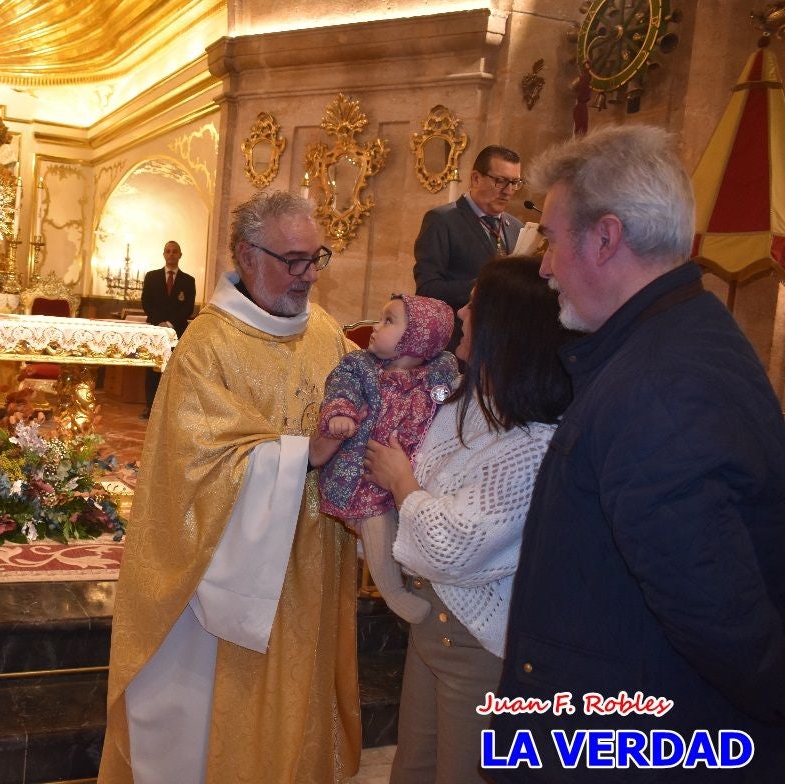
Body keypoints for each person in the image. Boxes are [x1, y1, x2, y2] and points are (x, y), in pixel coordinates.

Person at [490, 125, 785, 781]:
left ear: (606, 237)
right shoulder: (677, 340)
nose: (543, 264)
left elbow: (724, 624)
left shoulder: (660, 388)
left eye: (552, 238)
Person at [99, 191, 361, 783]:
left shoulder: (324, 331)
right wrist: (303, 456)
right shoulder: (206, 346)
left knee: (299, 692)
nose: (308, 276)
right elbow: (192, 468)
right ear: (246, 254)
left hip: (314, 555)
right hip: (227, 573)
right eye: (292, 260)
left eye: (315, 258)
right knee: (225, 713)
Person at [360, 254, 577, 784]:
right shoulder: (470, 400)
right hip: (431, 628)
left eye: (475, 305)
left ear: (506, 327)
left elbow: (454, 544)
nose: (460, 309)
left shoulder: (533, 442)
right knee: (412, 768)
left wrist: (402, 484)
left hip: (479, 646)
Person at [310, 293, 458, 624]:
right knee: (376, 519)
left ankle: (410, 569)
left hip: (414, 471)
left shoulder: (437, 371)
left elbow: (451, 395)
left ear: (416, 338)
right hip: (366, 471)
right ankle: (392, 592)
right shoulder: (360, 367)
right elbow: (341, 389)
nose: (376, 328)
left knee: (416, 514)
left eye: (389, 321)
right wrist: (340, 414)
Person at [413, 145, 524, 348]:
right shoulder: (442, 220)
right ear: (475, 178)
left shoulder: (517, 227)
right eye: (500, 181)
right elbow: (426, 288)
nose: (508, 191)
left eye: (515, 183)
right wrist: (483, 286)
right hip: (456, 342)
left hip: (502, 343)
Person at [139, 240, 196, 419]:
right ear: (164, 254)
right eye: (168, 251)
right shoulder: (151, 277)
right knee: (152, 369)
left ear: (180, 255)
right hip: (155, 331)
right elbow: (146, 303)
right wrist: (160, 323)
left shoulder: (188, 281)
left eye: (174, 251)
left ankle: (171, 409)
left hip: (177, 331)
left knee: (174, 370)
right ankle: (150, 406)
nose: (171, 254)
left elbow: (187, 307)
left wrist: (170, 324)